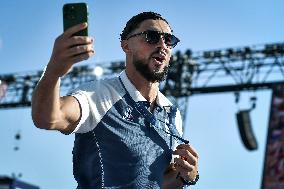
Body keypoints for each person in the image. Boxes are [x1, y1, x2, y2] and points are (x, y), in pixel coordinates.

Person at [32, 11, 199, 189]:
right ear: (126, 46)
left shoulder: (172, 112)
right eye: (152, 37)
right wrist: (54, 69)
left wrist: (186, 176)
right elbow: (47, 117)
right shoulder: (99, 95)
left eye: (168, 40)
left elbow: (160, 183)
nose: (162, 45)